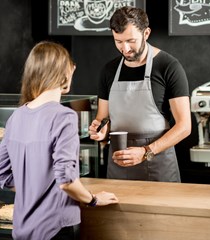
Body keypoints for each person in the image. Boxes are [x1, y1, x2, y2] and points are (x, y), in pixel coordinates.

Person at [0, 41, 119, 240]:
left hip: (22, 229)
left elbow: (1, 172)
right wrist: (93, 200)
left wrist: (34, 186)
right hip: (56, 228)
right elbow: (67, 180)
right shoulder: (64, 117)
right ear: (64, 73)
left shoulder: (16, 117)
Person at [89, 6, 191, 182]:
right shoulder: (109, 70)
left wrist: (145, 152)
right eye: (118, 41)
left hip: (158, 164)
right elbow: (103, 119)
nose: (125, 48)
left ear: (146, 33)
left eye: (131, 40)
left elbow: (184, 127)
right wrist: (100, 131)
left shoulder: (168, 67)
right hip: (118, 163)